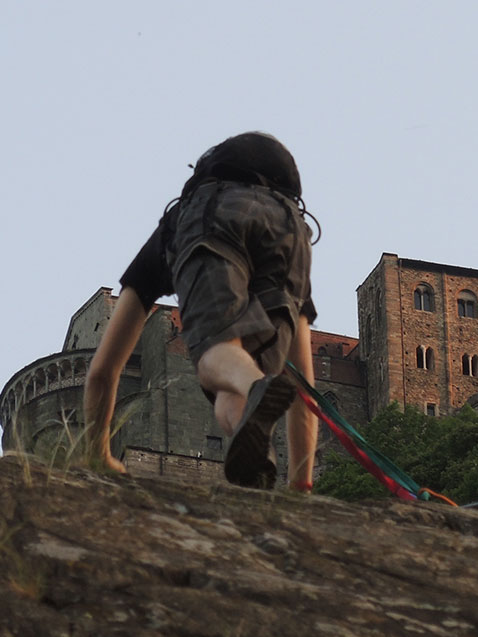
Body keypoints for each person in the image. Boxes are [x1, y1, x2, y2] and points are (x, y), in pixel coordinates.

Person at [80, 132, 318, 491]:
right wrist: (301, 486)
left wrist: (98, 453)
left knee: (215, 354)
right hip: (290, 233)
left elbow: (103, 370)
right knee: (228, 387)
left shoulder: (179, 221)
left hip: (214, 213)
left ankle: (254, 385)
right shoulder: (291, 226)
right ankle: (256, 457)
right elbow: (304, 385)